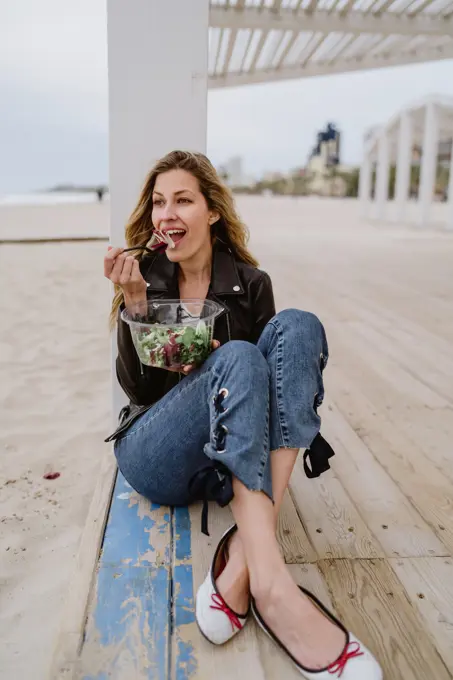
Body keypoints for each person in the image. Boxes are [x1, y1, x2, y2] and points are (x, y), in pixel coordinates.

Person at [103, 150, 382, 680]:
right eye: (159, 203)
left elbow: (276, 394)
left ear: (211, 211)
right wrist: (134, 303)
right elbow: (137, 388)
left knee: (299, 326)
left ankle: (244, 567)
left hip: (227, 464)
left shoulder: (252, 284)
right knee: (235, 356)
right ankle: (272, 586)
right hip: (154, 451)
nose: (167, 214)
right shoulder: (146, 279)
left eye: (183, 199)